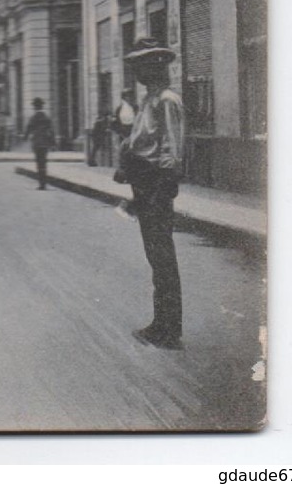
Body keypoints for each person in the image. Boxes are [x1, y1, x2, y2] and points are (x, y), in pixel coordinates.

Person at [115, 38, 186, 351]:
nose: (138, 70)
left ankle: (169, 330)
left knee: (162, 258)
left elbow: (172, 145)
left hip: (156, 184)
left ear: (158, 65)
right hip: (144, 183)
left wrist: (164, 185)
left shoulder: (167, 100)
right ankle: (162, 323)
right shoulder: (148, 100)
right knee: (156, 258)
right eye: (137, 64)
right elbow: (140, 139)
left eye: (144, 63)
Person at [24, 98, 55, 189]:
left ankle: (41, 184)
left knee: (39, 163)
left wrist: (25, 137)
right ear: (42, 106)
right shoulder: (46, 117)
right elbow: (51, 131)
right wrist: (53, 143)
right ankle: (43, 183)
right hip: (45, 143)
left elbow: (28, 128)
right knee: (43, 162)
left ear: (35, 106)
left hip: (37, 143)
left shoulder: (33, 117)